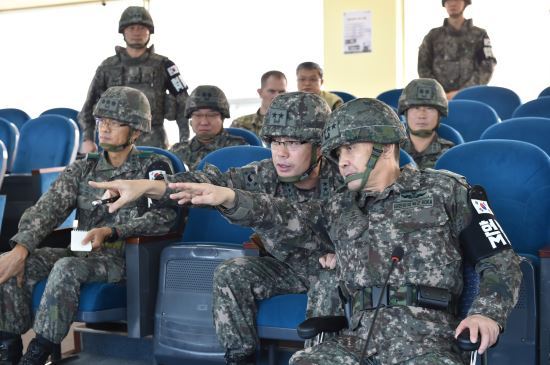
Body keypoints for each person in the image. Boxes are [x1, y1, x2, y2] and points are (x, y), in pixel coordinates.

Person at [175, 98, 522, 364]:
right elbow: (284, 215)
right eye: (337, 152)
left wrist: (486, 313)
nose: (341, 161)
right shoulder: (340, 205)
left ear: (385, 146)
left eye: (350, 149)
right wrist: (229, 196)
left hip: (426, 342)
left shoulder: (447, 191)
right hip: (355, 341)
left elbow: (501, 260)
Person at [89, 92, 343, 365]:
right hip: (287, 267)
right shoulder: (266, 172)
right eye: (275, 142)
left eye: (292, 143)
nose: (280, 153)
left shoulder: (344, 178)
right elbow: (210, 180)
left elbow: (347, 226)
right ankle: (240, 358)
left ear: (320, 146)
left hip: (333, 270)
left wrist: (346, 254)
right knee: (231, 272)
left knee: (330, 284)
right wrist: (148, 187)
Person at [0, 86, 177, 365]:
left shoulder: (153, 167)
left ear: (136, 131)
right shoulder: (84, 168)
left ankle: (37, 352)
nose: (104, 129)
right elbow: (47, 209)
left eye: (114, 122)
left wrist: (114, 231)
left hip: (125, 258)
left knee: (66, 267)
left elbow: (167, 217)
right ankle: (7, 347)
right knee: (10, 263)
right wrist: (20, 248)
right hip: (80, 250)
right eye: (101, 121)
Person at [78, 6, 190, 152]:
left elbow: (184, 105)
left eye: (142, 28)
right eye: (131, 28)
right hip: (114, 140)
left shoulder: (165, 65)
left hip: (154, 141)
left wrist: (184, 140)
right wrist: (88, 139)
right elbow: (88, 107)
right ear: (123, 32)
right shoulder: (107, 67)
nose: (136, 32)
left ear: (149, 31)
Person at [418, 0, 496, 100]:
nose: (452, 4)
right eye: (448, 1)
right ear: (444, 4)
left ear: (465, 3)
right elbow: (423, 67)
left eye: (457, 0)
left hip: (471, 97)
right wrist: (439, 92)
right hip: (438, 98)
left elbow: (487, 66)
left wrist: (463, 92)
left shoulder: (479, 35)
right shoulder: (433, 36)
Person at [169, 85, 248, 170]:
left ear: (222, 118)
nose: (204, 122)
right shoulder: (177, 151)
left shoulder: (239, 148)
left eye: (211, 115)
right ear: (191, 120)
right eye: (198, 115)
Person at [398, 78, 454, 169]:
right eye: (416, 108)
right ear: (405, 113)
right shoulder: (390, 152)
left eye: (429, 109)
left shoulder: (449, 153)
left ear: (439, 115)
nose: (422, 115)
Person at [230, 70, 287, 136]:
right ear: (260, 92)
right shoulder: (240, 125)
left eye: (282, 92)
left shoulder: (295, 124)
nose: (277, 96)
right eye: (272, 91)